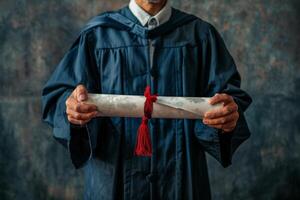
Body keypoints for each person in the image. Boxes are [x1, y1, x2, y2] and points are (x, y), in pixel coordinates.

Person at [42, 0, 252, 199]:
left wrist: (225, 118)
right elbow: (60, 98)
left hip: (181, 183)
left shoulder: (200, 36)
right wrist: (70, 109)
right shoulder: (97, 36)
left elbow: (226, 99)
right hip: (113, 184)